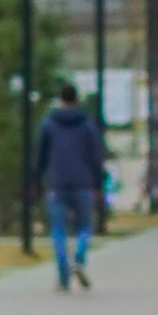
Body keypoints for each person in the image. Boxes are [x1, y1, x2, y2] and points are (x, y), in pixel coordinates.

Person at [35, 80, 105, 291]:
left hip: (56, 183)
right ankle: (79, 259)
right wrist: (98, 180)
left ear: (60, 100)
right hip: (82, 183)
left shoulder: (49, 123)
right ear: (76, 99)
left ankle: (63, 275)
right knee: (84, 227)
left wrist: (37, 178)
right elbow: (95, 155)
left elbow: (41, 155)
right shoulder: (87, 125)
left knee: (58, 231)